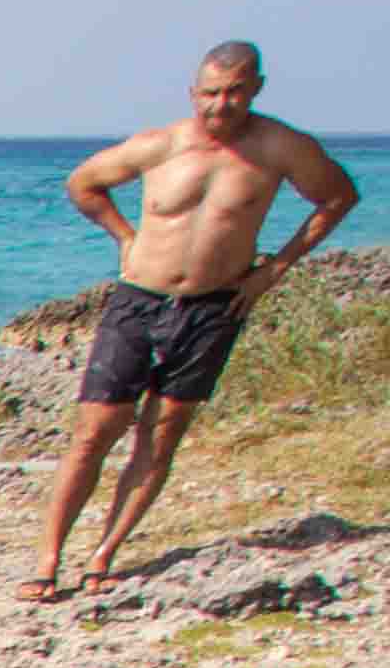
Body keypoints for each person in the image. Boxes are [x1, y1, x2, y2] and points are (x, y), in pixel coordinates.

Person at [31, 42, 356, 601]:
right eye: (210, 93)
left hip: (214, 306)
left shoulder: (281, 147)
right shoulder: (160, 145)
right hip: (139, 300)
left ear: (256, 89)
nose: (220, 105)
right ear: (193, 93)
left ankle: (105, 553)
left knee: (160, 436)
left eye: (234, 92)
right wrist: (125, 237)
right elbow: (83, 184)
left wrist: (274, 269)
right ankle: (48, 560)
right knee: (93, 433)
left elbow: (338, 198)